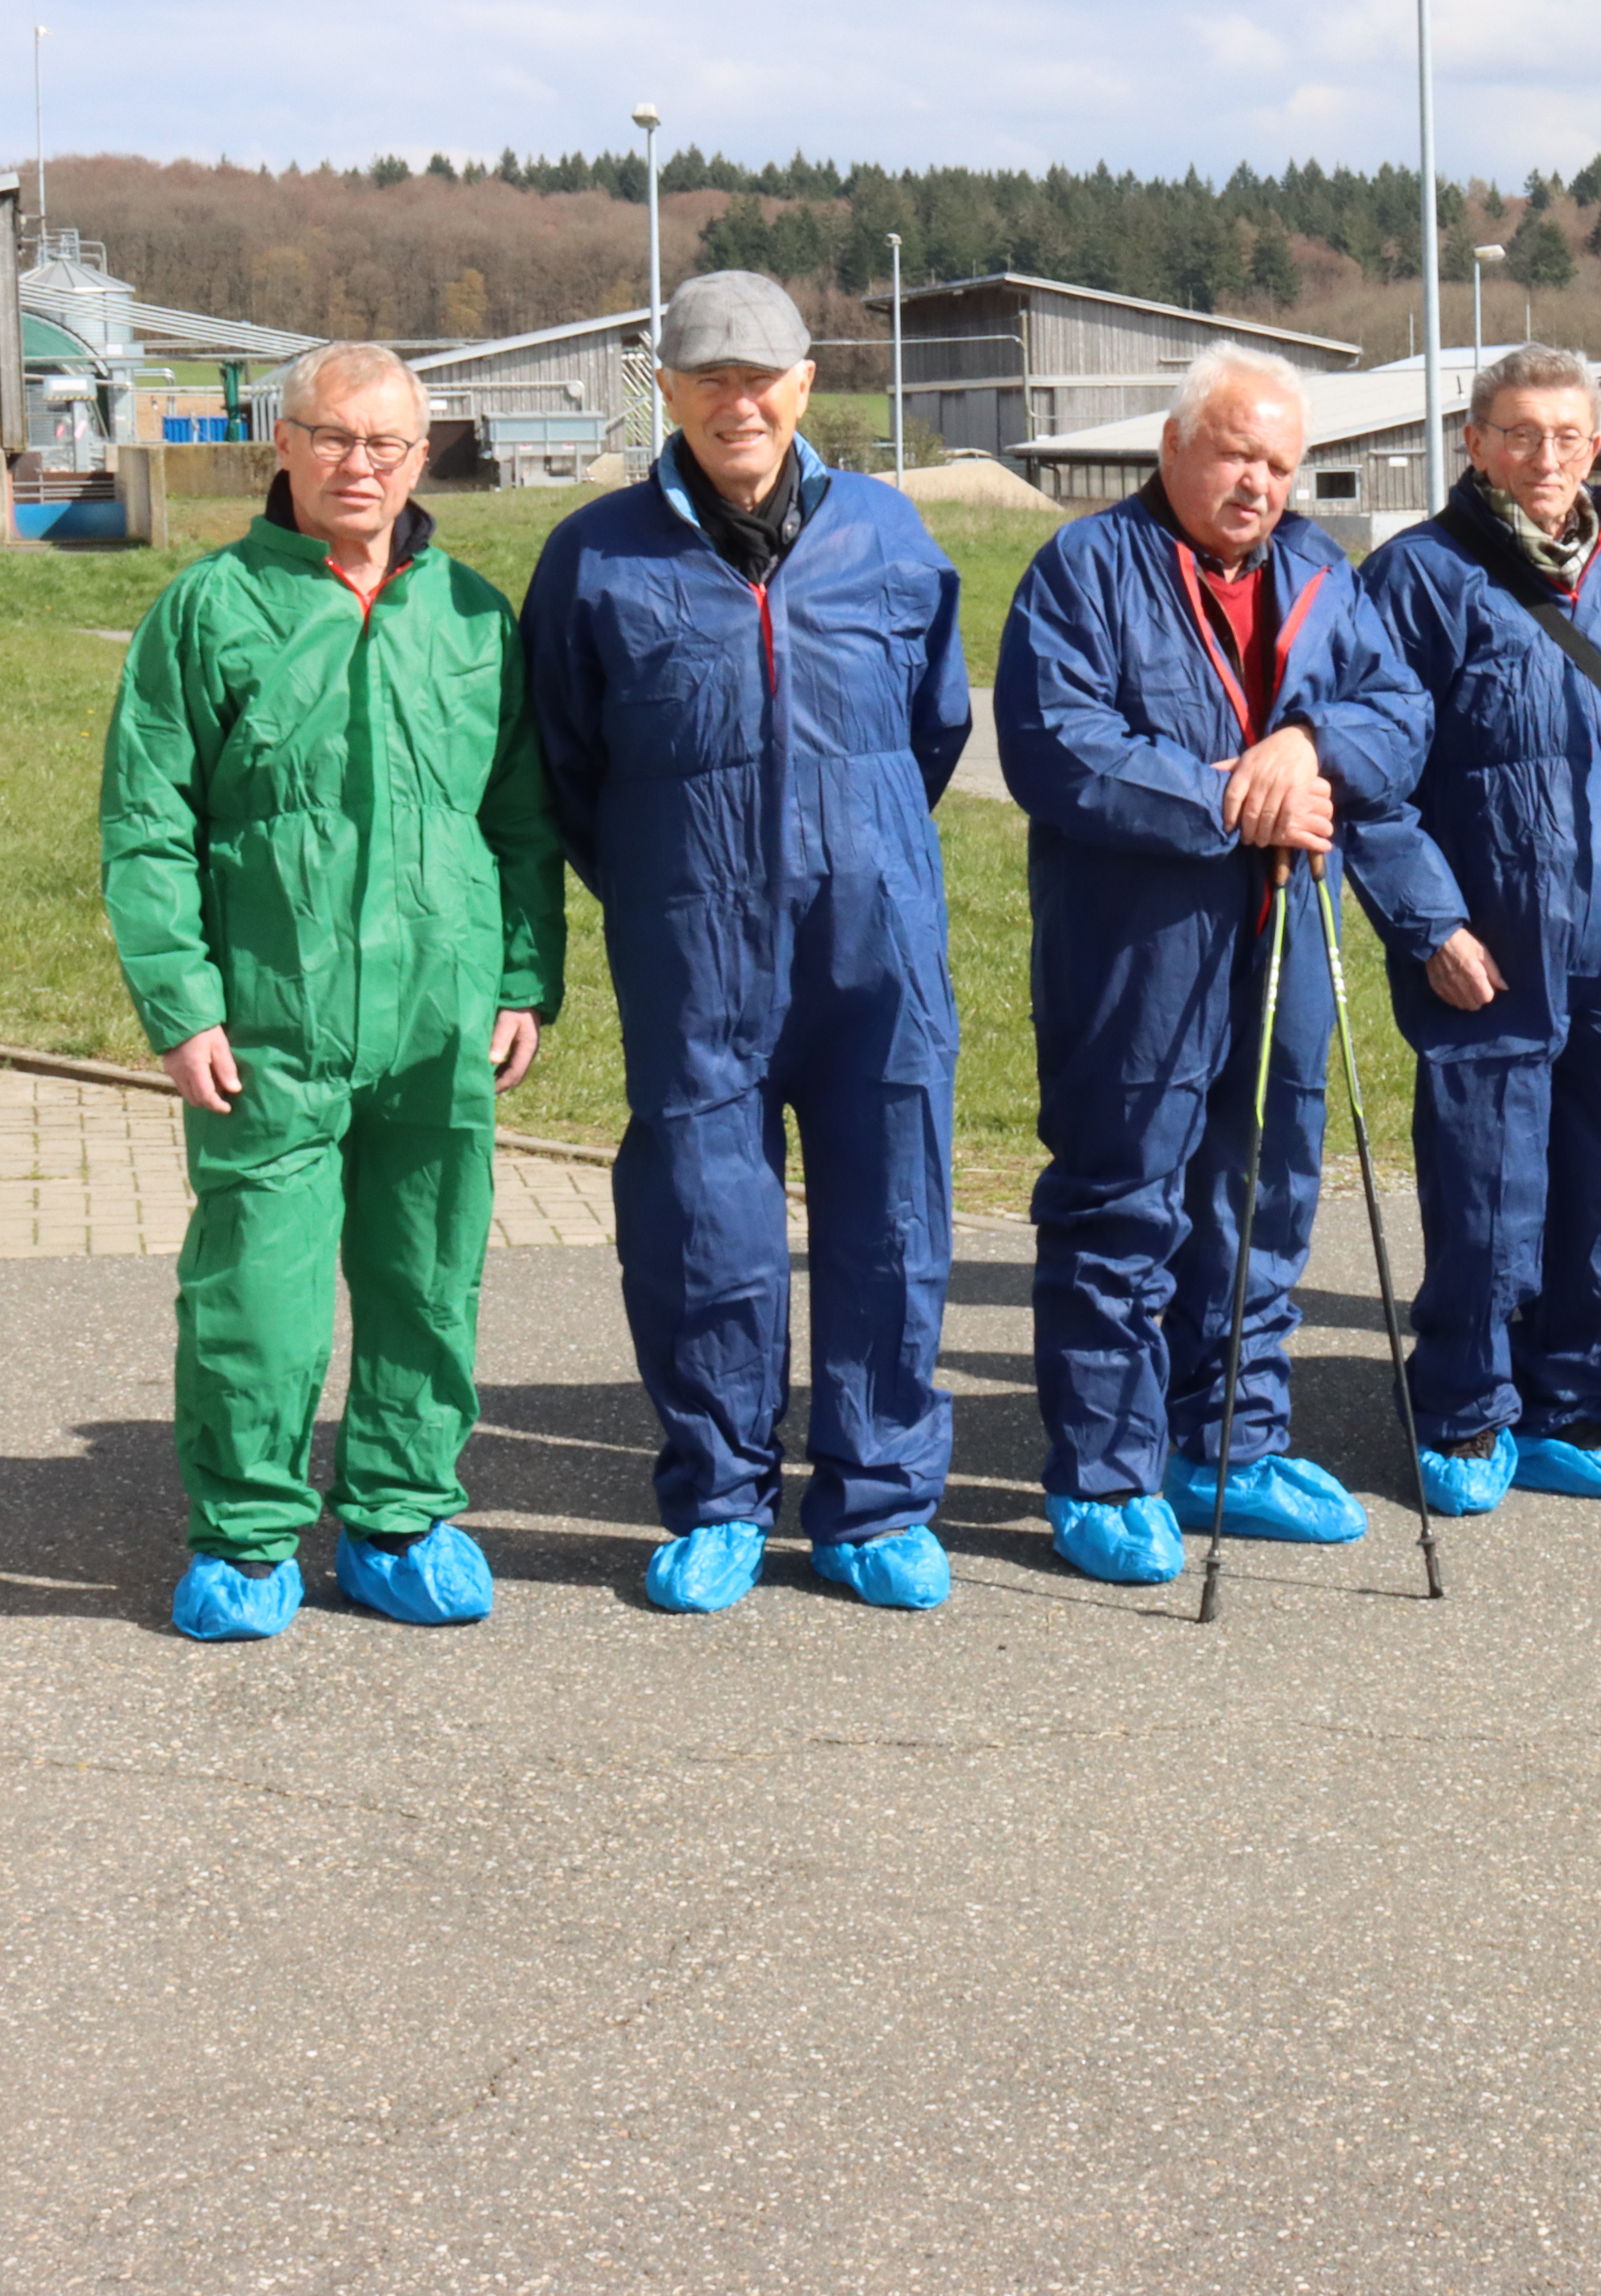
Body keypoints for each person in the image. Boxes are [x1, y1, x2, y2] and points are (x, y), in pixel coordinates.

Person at [522, 271, 972, 1617]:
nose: (739, 398)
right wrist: (677, 878)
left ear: (806, 384)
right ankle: (718, 1495)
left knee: (893, 1210)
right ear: (664, 387)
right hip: (693, 939)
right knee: (702, 1221)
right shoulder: (596, 556)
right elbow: (567, 761)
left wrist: (852, 843)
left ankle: (876, 1499)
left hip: (876, 936)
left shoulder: (893, 540)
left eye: (762, 374)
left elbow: (935, 728)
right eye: (709, 374)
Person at [102, 339, 562, 1640]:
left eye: (389, 445)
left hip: (441, 1011)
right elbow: (147, 822)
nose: (362, 466)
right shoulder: (209, 611)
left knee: (427, 1273)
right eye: (336, 438)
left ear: (424, 459)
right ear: (282, 445)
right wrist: (181, 1000)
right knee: (262, 1282)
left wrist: (523, 972)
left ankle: (400, 1517)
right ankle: (247, 1535)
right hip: (268, 1017)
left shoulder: (473, 615)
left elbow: (521, 816)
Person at [996, 345, 1433, 1585]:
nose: (1260, 483)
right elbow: (1059, 746)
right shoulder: (1085, 568)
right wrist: (1232, 794)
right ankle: (1103, 1468)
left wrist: (1311, 740)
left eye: (1283, 464)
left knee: (1266, 1195)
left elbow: (1398, 715)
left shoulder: (1318, 568)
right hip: (1138, 939)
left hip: (1288, 925)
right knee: (1121, 1193)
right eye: (1239, 452)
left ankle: (1230, 1444)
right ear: (1176, 445)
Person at [1347, 345, 1601, 1513]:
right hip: (1490, 932)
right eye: (1518, 434)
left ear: (1596, 446)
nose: (1546, 457)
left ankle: (1572, 1406)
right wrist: (1428, 922)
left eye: (1568, 435)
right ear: (1474, 442)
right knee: (1488, 1182)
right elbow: (1373, 780)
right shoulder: (1417, 577)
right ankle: (1463, 1410)